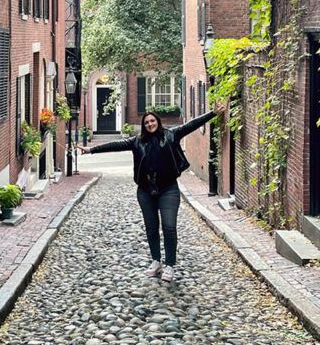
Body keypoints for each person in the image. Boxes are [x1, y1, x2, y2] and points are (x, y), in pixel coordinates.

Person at [78, 108, 220, 283]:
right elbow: (115, 145)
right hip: (145, 190)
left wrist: (212, 113)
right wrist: (90, 150)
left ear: (157, 122)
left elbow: (191, 125)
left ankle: (169, 264)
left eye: (152, 121)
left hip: (168, 188)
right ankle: (156, 261)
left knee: (169, 226)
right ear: (143, 126)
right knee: (151, 228)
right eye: (146, 123)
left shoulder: (171, 135)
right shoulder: (136, 142)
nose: (150, 124)